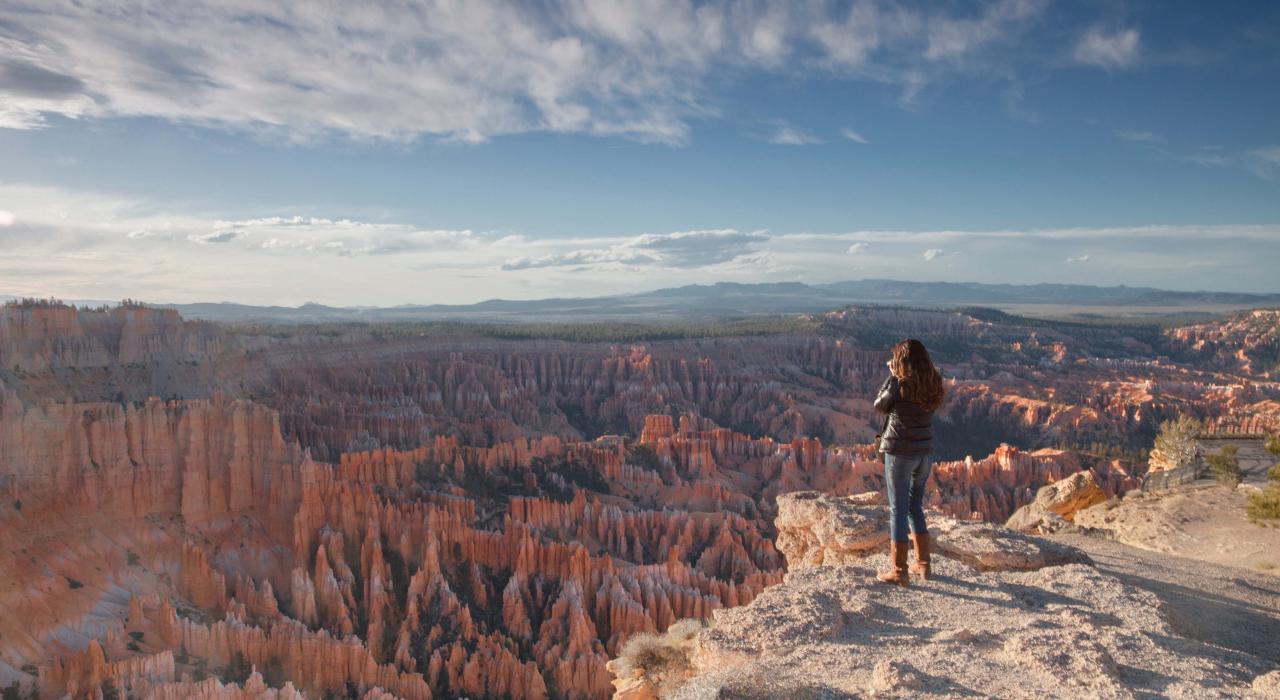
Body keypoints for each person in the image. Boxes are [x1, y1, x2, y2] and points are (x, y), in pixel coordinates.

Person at [873, 338, 945, 586]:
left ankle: (899, 570)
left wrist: (892, 378)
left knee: (898, 509)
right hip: (924, 453)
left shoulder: (899, 384)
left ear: (900, 361)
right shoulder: (932, 382)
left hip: (900, 453)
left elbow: (879, 406)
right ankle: (923, 565)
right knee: (915, 505)